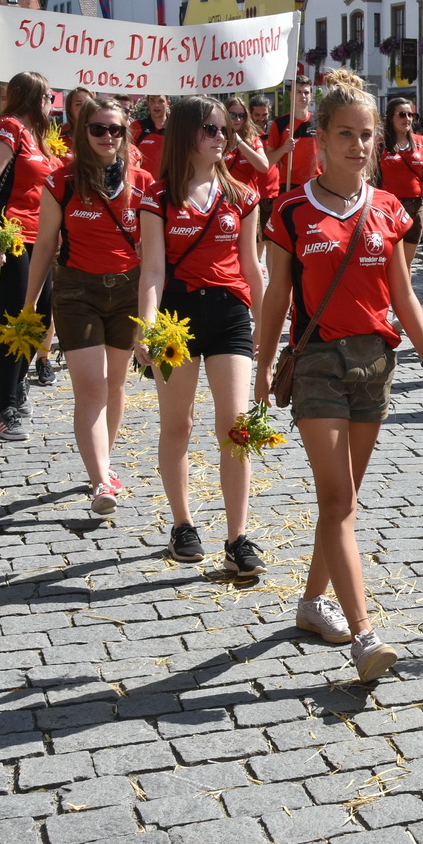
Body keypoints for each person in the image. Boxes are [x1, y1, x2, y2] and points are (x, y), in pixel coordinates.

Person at [256, 69, 423, 682]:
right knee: (337, 499)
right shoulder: (290, 212)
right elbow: (274, 299)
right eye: (346, 134)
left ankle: (313, 602)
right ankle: (364, 635)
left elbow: (403, 293)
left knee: (344, 500)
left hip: (376, 363)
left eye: (367, 135)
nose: (360, 146)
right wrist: (262, 367)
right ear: (318, 137)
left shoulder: (390, 208)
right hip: (317, 362)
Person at [135, 95, 266, 577]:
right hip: (177, 315)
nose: (222, 137)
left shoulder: (242, 195)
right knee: (179, 425)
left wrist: (269, 330)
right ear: (188, 134)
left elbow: (254, 268)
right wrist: (145, 328)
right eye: (211, 129)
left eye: (225, 130)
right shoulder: (156, 195)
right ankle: (184, 524)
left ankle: (238, 537)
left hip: (230, 312)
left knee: (235, 426)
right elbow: (151, 270)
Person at [21, 98, 151, 513]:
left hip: (128, 294)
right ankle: (100, 481)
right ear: (83, 132)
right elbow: (44, 246)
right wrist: (31, 309)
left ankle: (104, 464)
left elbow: (155, 252)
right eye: (98, 129)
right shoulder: (62, 181)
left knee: (115, 385)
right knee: (91, 387)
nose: (108, 137)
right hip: (77, 292)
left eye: (115, 129)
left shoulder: (144, 182)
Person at [0, 72, 59, 442]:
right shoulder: (8, 127)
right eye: (47, 96)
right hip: (13, 238)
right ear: (33, 96)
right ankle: (6, 408)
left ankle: (19, 383)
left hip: (42, 240)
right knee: (17, 322)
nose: (51, 103)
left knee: (41, 319)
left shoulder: (38, 136)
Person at [375, 98, 423, 268]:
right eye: (402, 114)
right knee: (389, 262)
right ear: (391, 117)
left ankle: (402, 294)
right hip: (388, 207)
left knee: (406, 264)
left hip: (415, 206)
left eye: (410, 114)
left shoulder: (421, 142)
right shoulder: (380, 143)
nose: (407, 118)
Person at [221, 96, 270, 230]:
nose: (237, 120)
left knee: (250, 247)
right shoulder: (216, 138)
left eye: (241, 116)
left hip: (247, 202)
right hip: (224, 201)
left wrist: (240, 143)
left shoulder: (252, 139)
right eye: (233, 115)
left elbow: (264, 166)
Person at [267, 80, 320, 193]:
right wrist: (283, 149)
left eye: (306, 92)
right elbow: (269, 161)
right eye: (298, 92)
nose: (303, 96)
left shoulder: (319, 123)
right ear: (291, 95)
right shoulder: (280, 123)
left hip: (316, 183)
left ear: (311, 95)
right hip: (289, 185)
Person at [131, 94, 168, 167]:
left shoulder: (176, 127)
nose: (156, 105)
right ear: (147, 102)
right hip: (144, 177)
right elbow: (129, 154)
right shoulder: (136, 126)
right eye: (152, 100)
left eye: (161, 101)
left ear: (168, 103)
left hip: (170, 178)